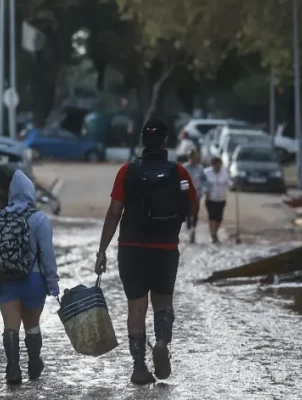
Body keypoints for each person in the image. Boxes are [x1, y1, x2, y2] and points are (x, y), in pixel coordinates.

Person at [95, 119, 199, 384]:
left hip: (131, 249)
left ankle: (139, 366)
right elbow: (193, 207)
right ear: (166, 142)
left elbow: (114, 212)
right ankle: (162, 342)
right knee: (163, 303)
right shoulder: (180, 173)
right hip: (165, 249)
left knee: (136, 308)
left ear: (143, 141)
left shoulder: (127, 172)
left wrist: (102, 250)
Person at [0, 170, 60, 385]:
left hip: (5, 280)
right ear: (30, 193)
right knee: (32, 324)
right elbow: (47, 256)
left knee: (10, 325)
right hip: (33, 281)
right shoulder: (40, 219)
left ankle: (13, 367)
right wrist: (52, 284)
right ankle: (34, 362)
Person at [202, 156, 230, 244]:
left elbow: (228, 182)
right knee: (212, 217)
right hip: (211, 199)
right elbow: (203, 184)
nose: (218, 167)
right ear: (212, 165)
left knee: (219, 218)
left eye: (219, 165)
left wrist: (234, 184)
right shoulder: (206, 172)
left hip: (221, 198)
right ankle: (213, 236)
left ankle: (214, 232)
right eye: (216, 165)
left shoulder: (224, 172)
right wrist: (205, 191)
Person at [182, 149, 206, 244]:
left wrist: (204, 189)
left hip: (197, 193)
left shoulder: (200, 168)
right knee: (188, 213)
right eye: (193, 158)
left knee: (195, 213)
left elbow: (204, 180)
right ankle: (189, 230)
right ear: (189, 158)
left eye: (196, 158)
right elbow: (182, 180)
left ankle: (193, 230)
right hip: (187, 193)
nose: (194, 160)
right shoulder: (185, 167)